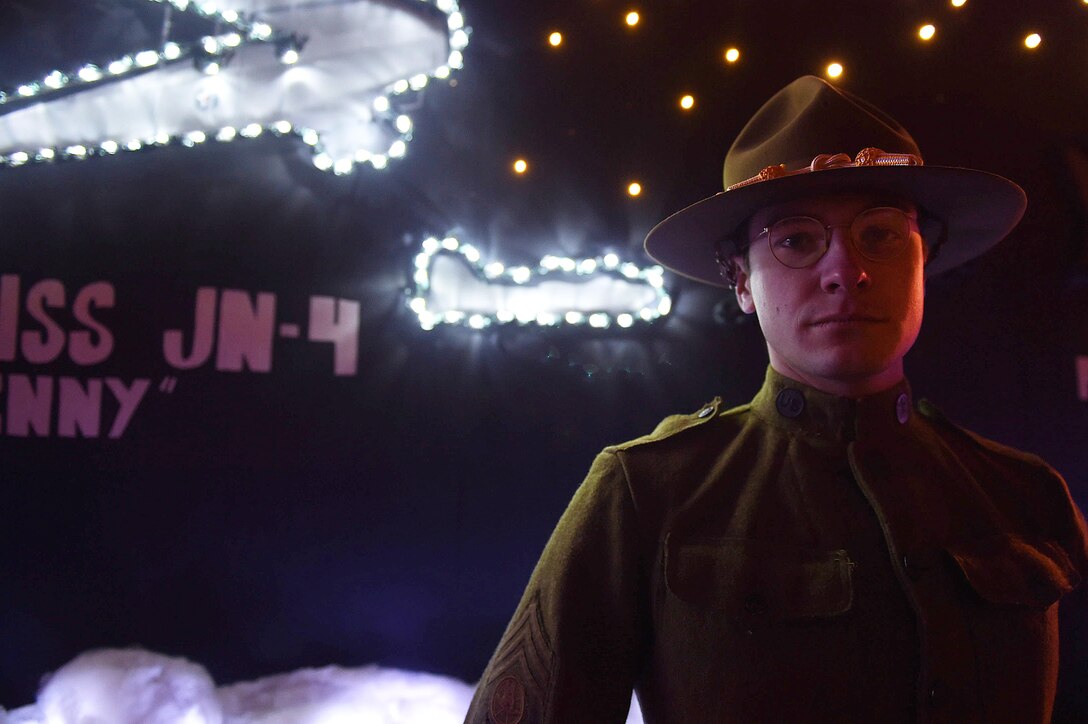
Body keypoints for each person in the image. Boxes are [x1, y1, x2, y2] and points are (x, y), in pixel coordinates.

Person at [463, 76, 1088, 724]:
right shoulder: (649, 493)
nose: (847, 269)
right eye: (795, 239)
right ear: (741, 281)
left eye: (880, 234)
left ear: (923, 259)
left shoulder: (1025, 495)